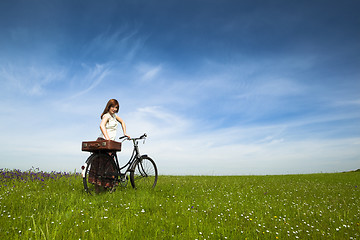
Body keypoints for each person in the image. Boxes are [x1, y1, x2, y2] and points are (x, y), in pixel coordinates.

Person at [89, 99, 130, 193]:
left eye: (116, 107)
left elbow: (122, 122)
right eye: (113, 107)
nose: (114, 109)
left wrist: (125, 133)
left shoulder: (114, 116)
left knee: (109, 166)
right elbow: (101, 126)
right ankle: (97, 189)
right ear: (108, 107)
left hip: (109, 142)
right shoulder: (106, 116)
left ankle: (105, 188)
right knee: (101, 165)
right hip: (103, 141)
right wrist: (107, 138)